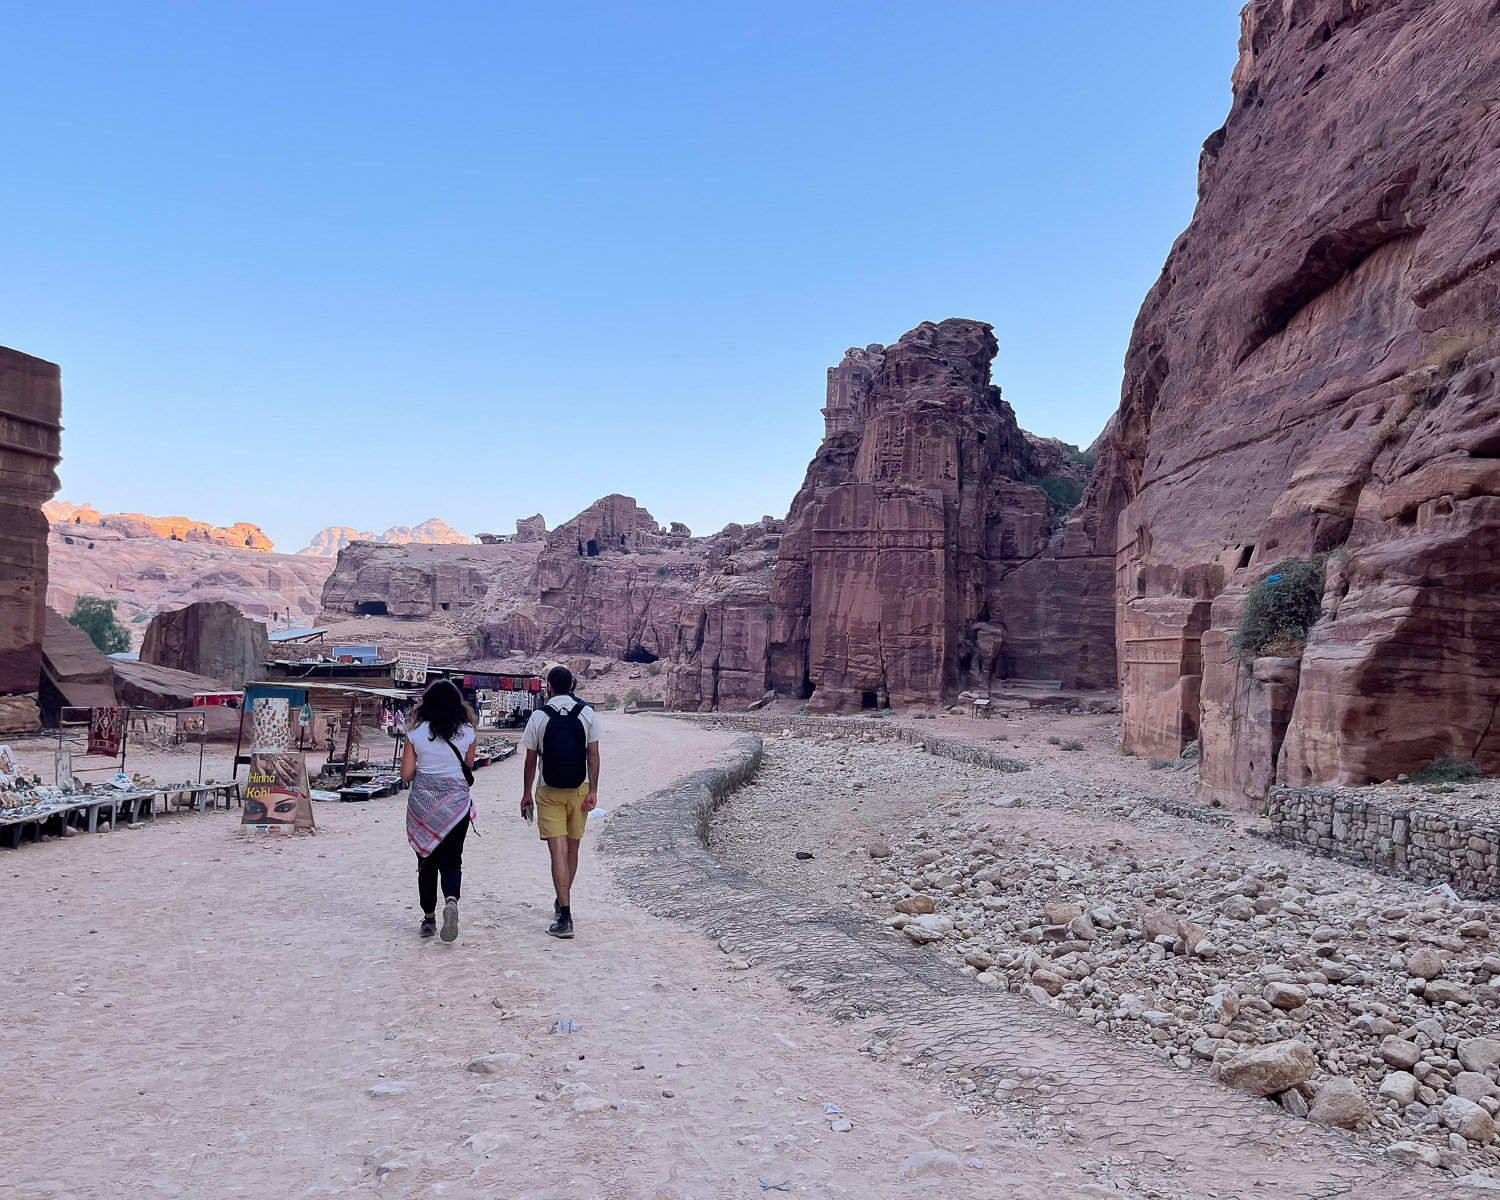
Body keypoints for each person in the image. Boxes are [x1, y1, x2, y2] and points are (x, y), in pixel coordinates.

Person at [520, 665, 600, 939]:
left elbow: (531, 760)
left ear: (549, 687)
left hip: (548, 790)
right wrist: (593, 791)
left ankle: (564, 916)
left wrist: (526, 793)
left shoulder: (539, 716)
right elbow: (593, 756)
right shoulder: (587, 713)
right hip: (580, 790)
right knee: (572, 850)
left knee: (557, 852)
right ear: (572, 686)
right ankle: (562, 901)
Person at [400, 679, 477, 942]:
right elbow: (469, 763)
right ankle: (451, 902)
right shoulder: (467, 732)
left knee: (426, 860)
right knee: (453, 860)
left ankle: (429, 918)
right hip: (456, 806)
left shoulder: (415, 734)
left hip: (423, 806)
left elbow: (406, 774)